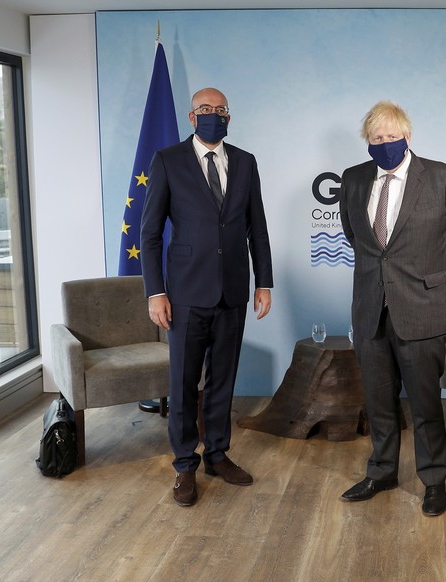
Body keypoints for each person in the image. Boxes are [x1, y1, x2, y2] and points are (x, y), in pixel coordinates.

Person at [338, 101, 446, 516]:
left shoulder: (441, 176)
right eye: (375, 138)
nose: (384, 143)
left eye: (391, 136)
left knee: (425, 403)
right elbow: (356, 238)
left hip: (422, 311)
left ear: (408, 137)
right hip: (370, 312)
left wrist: (427, 276)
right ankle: (381, 471)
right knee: (379, 403)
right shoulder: (353, 179)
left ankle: (433, 480)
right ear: (368, 142)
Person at [141, 87, 273, 507]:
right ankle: (185, 465)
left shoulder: (246, 162)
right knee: (182, 384)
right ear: (191, 116)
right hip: (183, 294)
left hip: (232, 290)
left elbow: (258, 227)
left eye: (220, 110)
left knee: (222, 380)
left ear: (228, 117)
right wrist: (156, 292)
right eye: (205, 110)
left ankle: (217, 453)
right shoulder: (168, 160)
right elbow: (149, 233)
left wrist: (263, 283)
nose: (213, 115)